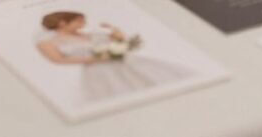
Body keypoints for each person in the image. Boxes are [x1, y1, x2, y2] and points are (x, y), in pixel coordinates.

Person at [36, 11, 191, 102]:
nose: (83, 24)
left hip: (125, 63)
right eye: (78, 22)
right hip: (98, 71)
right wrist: (95, 59)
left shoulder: (90, 34)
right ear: (63, 23)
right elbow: (59, 60)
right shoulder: (48, 42)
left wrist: (116, 33)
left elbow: (121, 42)